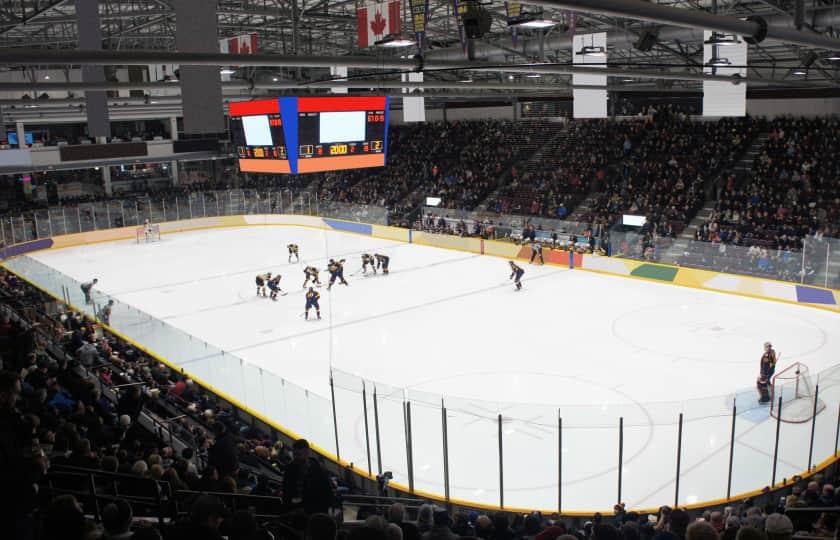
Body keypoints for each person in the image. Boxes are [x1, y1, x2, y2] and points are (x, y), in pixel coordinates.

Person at [282, 439, 334, 515]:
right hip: (293, 511)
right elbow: (286, 491)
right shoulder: (290, 468)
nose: (296, 458)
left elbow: (327, 498)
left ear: (307, 453)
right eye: (294, 455)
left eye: (298, 455)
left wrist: (307, 510)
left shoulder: (320, 471)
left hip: (314, 514)